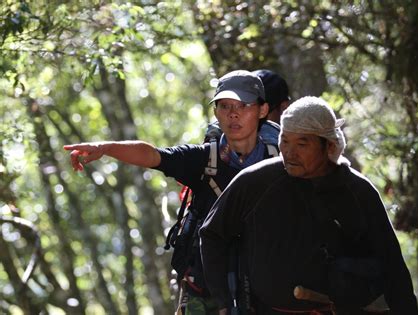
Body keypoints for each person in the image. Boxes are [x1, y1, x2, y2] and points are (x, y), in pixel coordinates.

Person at [64, 70, 279, 315]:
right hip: (206, 290)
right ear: (216, 113)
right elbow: (154, 156)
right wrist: (105, 148)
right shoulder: (202, 160)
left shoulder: (282, 162)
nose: (233, 114)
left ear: (262, 110)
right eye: (224, 106)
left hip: (269, 287)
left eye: (243, 105)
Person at [200, 96, 418, 315]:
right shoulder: (255, 182)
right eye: (285, 141)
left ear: (329, 145)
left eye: (302, 144)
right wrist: (224, 303)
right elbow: (212, 234)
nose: (290, 152)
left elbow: (392, 266)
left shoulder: (359, 192)